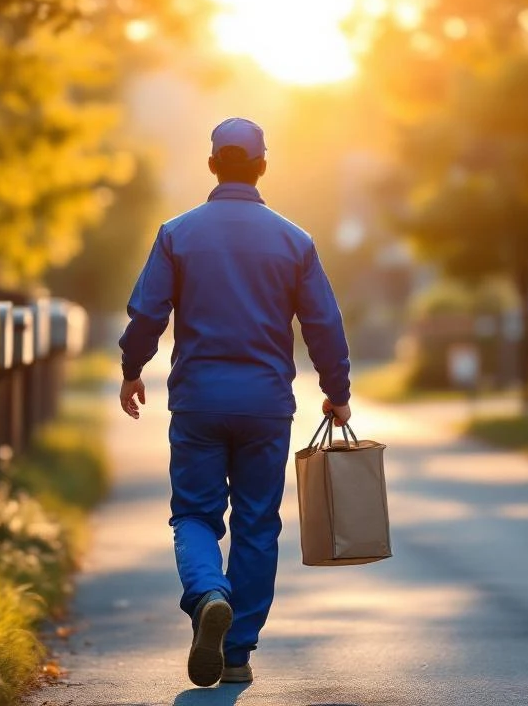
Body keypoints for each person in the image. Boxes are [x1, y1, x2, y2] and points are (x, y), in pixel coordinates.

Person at [118, 117, 352, 688]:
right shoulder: (294, 241)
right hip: (266, 405)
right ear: (262, 167)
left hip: (197, 401)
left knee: (196, 515)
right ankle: (238, 650)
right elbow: (323, 322)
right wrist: (336, 392)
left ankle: (207, 597)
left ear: (212, 166)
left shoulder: (177, 234)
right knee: (256, 525)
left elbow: (148, 312)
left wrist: (132, 369)